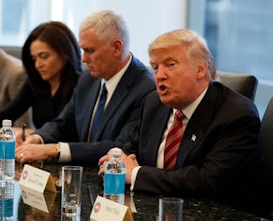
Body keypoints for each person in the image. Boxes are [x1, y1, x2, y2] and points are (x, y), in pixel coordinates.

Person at [98, 29, 266, 215]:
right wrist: (118, 160)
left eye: (170, 65)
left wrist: (136, 173)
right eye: (155, 67)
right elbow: (124, 149)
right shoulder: (153, 102)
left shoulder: (236, 115)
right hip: (154, 210)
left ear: (200, 69)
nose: (160, 75)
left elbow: (208, 181)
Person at [15, 10, 155, 165]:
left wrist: (55, 149)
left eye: (90, 50)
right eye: (82, 50)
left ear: (116, 47)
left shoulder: (146, 89)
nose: (83, 59)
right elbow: (64, 122)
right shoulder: (87, 79)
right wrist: (37, 138)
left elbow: (120, 147)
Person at [0, 21, 82, 138]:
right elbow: (8, 114)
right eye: (34, 58)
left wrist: (34, 134)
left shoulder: (82, 85)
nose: (38, 65)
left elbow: (71, 131)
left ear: (65, 54)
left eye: (44, 56)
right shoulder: (36, 83)